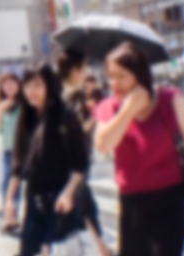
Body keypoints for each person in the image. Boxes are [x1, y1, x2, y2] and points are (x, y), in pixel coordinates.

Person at [95, 42, 184, 256]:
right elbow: (104, 145)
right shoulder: (110, 107)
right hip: (133, 202)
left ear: (139, 75)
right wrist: (128, 109)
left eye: (122, 76)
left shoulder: (170, 99)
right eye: (111, 76)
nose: (115, 83)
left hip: (170, 199)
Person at [4, 65, 87, 256]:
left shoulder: (65, 116)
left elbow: (80, 163)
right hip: (34, 197)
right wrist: (10, 198)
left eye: (37, 85)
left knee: (52, 250)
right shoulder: (27, 118)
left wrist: (68, 193)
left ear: (49, 85)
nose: (31, 91)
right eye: (27, 85)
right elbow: (18, 163)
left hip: (59, 199)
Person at [56, 51, 113, 256]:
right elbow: (77, 129)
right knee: (79, 202)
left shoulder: (57, 92)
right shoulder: (74, 96)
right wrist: (94, 120)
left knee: (83, 201)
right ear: (75, 71)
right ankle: (101, 246)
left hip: (65, 158)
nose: (86, 74)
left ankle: (101, 245)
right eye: (84, 69)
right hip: (74, 158)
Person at [0, 73, 24, 233]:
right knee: (8, 183)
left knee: (22, 184)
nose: (9, 86)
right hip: (9, 150)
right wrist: (0, 108)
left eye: (12, 82)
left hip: (27, 150)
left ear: (18, 84)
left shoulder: (25, 103)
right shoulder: (2, 106)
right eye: (6, 83)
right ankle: (10, 217)